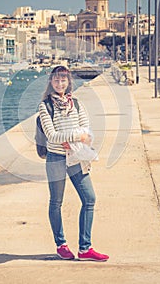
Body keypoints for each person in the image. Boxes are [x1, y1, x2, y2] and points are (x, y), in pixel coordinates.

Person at [39, 65, 109, 261]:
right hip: (56, 159)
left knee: (89, 199)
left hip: (76, 158)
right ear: (51, 82)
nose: (59, 83)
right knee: (56, 202)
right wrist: (77, 135)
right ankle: (61, 244)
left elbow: (87, 132)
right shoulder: (45, 106)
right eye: (56, 80)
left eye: (63, 79)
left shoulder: (77, 104)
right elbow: (52, 136)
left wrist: (73, 138)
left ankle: (85, 249)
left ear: (68, 82)